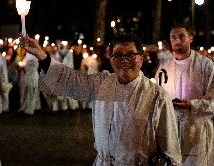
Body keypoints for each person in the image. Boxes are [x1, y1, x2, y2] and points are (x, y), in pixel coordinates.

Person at [21, 33, 182, 166]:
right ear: (110, 58)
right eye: (118, 55)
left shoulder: (157, 96)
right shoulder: (101, 83)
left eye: (130, 55)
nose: (124, 60)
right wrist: (41, 55)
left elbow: (170, 150)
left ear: (141, 58)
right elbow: (69, 80)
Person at [155, 24, 214, 165]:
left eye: (182, 36)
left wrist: (191, 104)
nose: (177, 40)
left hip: (197, 129)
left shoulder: (206, 65)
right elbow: (158, 96)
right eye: (173, 37)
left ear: (190, 38)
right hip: (171, 130)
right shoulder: (164, 68)